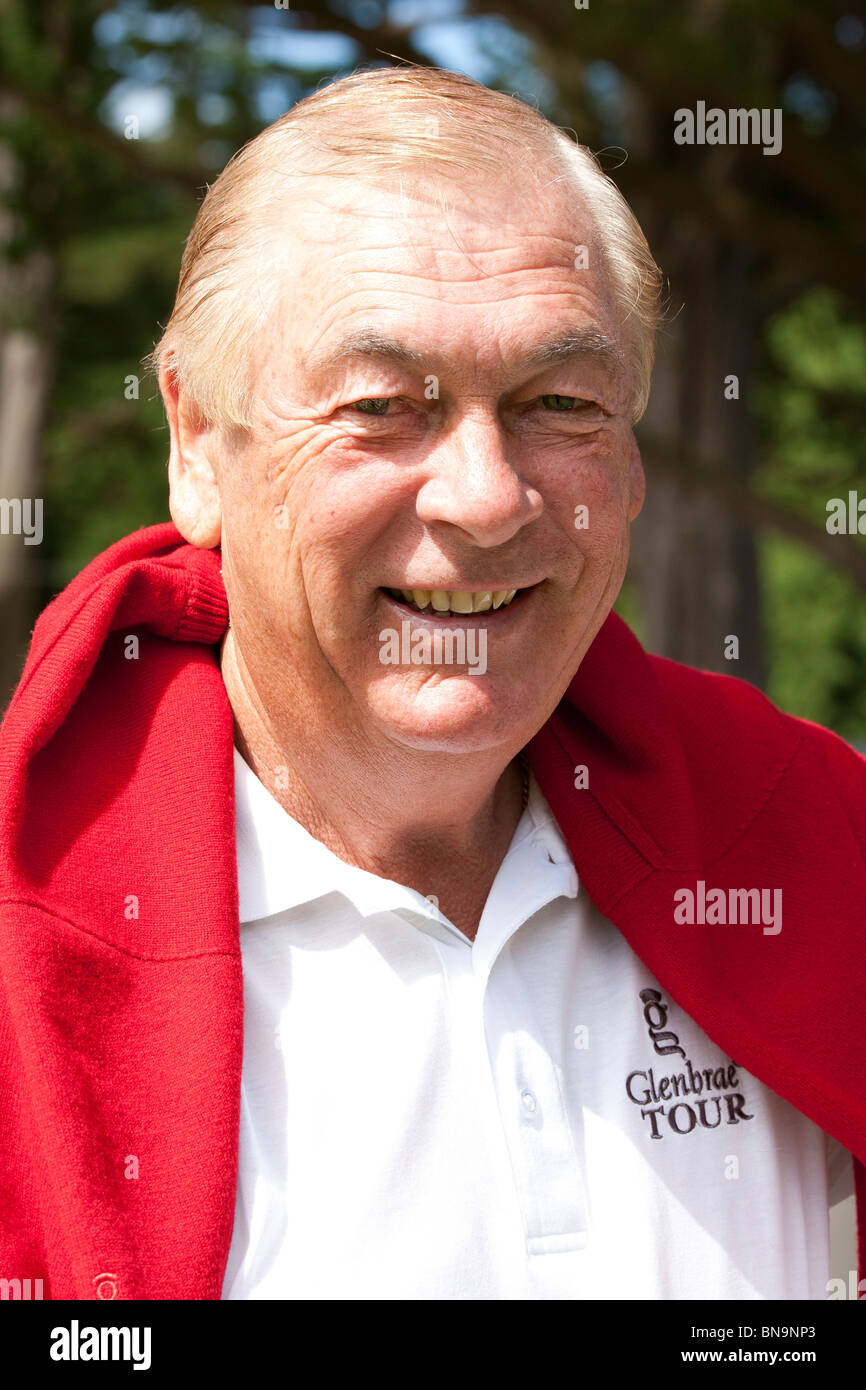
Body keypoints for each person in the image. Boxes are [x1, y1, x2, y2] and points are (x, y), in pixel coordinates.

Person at [0, 66, 863, 1302]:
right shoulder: (27, 957)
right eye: (381, 407)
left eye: (557, 403)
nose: (484, 495)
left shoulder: (807, 841)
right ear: (196, 442)